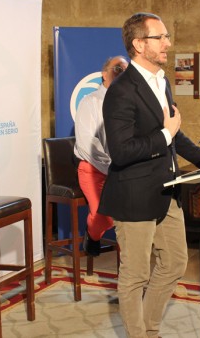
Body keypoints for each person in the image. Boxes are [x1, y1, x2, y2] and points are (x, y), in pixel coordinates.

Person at [98, 13, 200, 338]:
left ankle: (148, 329)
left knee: (174, 263)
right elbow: (122, 151)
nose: (168, 44)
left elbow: (176, 134)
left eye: (167, 36)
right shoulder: (121, 91)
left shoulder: (162, 81)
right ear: (138, 44)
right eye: (161, 37)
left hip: (166, 191)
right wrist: (164, 134)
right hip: (134, 197)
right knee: (135, 276)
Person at [74, 55, 129, 256]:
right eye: (117, 69)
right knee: (104, 216)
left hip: (122, 170)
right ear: (104, 74)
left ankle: (130, 267)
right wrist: (111, 164)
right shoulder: (91, 102)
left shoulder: (128, 103)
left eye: (126, 70)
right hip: (94, 169)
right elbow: (87, 142)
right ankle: (92, 234)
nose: (122, 73)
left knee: (130, 216)